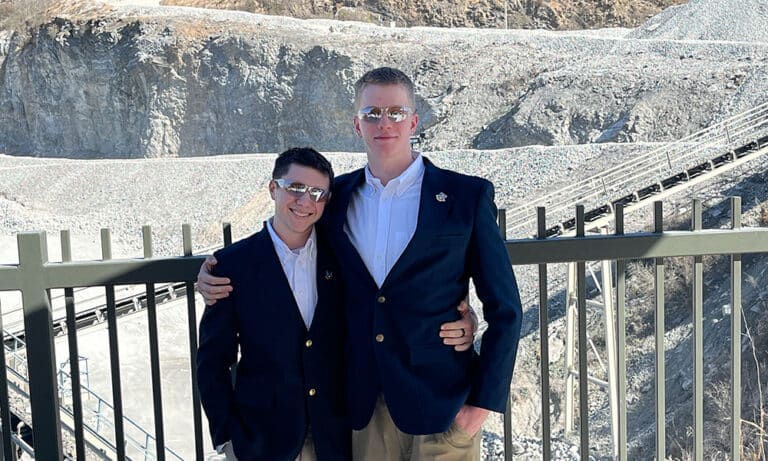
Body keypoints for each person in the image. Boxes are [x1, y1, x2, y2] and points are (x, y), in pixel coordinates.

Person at [200, 67, 521, 461]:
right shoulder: (335, 199)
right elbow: (286, 240)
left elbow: (506, 307)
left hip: (444, 406)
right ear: (357, 124)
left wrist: (483, 404)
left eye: (395, 112)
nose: (383, 122)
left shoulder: (464, 196)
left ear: (414, 121)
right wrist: (210, 272)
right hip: (362, 409)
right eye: (372, 113)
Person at [196, 147, 474, 461]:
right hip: (262, 440)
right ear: (274, 188)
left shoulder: (342, 254)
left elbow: (388, 297)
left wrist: (465, 314)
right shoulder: (232, 266)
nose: (305, 201)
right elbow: (212, 361)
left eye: (317, 193)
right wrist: (227, 439)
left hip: (337, 436)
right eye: (295, 188)